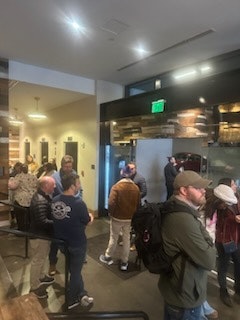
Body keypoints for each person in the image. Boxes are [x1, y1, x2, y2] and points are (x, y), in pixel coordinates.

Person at [158, 170, 216, 320]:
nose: (204, 191)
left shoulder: (178, 209)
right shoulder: (183, 219)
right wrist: (209, 239)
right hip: (185, 299)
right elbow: (209, 260)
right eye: (198, 188)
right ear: (184, 190)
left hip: (179, 289)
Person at [51, 173, 94, 310]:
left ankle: (81, 293)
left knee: (74, 269)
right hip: (77, 243)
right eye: (78, 183)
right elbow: (87, 222)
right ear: (72, 186)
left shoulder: (55, 200)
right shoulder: (78, 203)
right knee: (75, 272)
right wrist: (91, 216)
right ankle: (72, 300)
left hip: (62, 243)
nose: (79, 185)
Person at [206, 179, 240, 307]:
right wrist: (234, 218)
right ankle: (223, 291)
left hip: (237, 239)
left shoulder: (236, 198)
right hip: (224, 240)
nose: (235, 186)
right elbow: (216, 223)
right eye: (232, 184)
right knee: (223, 266)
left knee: (238, 264)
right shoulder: (216, 204)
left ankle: (238, 288)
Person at [99, 165, 140, 271]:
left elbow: (111, 203)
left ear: (121, 173)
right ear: (131, 174)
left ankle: (108, 256)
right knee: (127, 239)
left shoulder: (116, 187)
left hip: (117, 217)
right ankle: (124, 262)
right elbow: (138, 204)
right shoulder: (136, 188)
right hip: (129, 218)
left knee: (114, 237)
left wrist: (110, 213)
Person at [49, 155, 81, 275]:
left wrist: (77, 201)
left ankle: (74, 259)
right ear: (61, 166)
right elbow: (54, 193)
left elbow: (78, 189)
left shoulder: (74, 173)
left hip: (72, 209)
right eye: (66, 166)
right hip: (60, 210)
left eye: (70, 166)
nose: (68, 169)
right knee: (55, 240)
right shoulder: (55, 177)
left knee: (73, 236)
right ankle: (52, 265)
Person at [29, 176, 56, 299]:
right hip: (39, 236)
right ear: (46, 186)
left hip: (41, 235)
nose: (55, 186)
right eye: (53, 184)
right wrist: (56, 223)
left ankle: (41, 276)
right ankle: (34, 287)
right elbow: (42, 221)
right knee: (38, 260)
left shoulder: (43, 196)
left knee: (41, 258)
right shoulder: (41, 200)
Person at [8, 164, 38, 231]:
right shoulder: (33, 176)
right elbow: (37, 185)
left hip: (21, 200)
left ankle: (22, 230)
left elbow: (13, 186)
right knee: (30, 217)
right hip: (32, 199)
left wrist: (10, 181)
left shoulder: (19, 176)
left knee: (21, 217)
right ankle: (30, 230)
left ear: (20, 169)